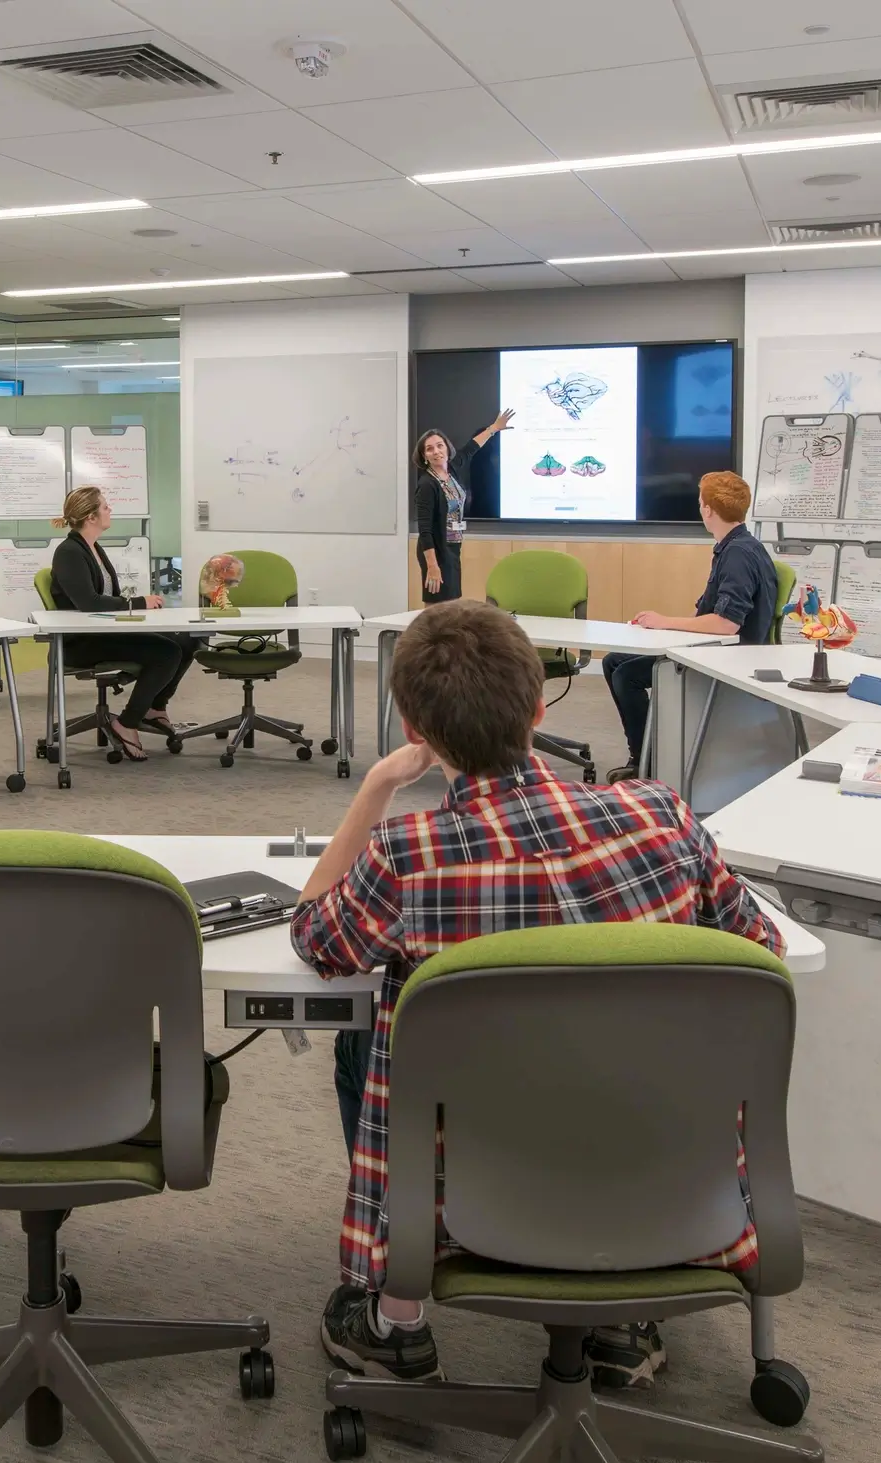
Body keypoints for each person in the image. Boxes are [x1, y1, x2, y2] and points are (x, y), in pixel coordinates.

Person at [292, 599, 785, 1390]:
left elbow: (317, 937)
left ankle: (398, 1316)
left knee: (365, 1033)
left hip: (475, 1189)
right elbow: (761, 957)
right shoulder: (662, 816)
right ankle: (623, 1315)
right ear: (535, 706)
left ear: (415, 730)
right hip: (660, 1167)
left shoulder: (410, 856)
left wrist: (377, 787)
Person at [602, 471, 777, 782]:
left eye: (700, 503)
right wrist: (664, 627)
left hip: (726, 658)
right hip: (718, 648)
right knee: (614, 660)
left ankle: (649, 763)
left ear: (708, 509)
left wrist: (665, 622)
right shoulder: (740, 545)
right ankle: (643, 753)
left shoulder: (737, 554)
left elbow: (726, 624)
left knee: (627, 675)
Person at [47, 486, 189, 761]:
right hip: (81, 642)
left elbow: (106, 599)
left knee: (185, 639)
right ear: (90, 517)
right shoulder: (69, 552)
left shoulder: (93, 547)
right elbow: (89, 602)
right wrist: (138, 603)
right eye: (105, 507)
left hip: (103, 631)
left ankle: (155, 708)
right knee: (167, 652)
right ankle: (128, 722)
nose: (110, 510)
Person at [410, 412, 512, 604]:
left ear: (447, 448)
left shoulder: (453, 469)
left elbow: (471, 448)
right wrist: (432, 565)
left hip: (452, 547)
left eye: (440, 446)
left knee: (452, 600)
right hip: (435, 550)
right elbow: (425, 530)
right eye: (430, 449)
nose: (436, 451)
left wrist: (494, 428)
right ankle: (430, 634)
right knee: (436, 603)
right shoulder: (427, 484)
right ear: (424, 456)